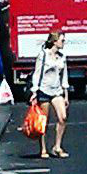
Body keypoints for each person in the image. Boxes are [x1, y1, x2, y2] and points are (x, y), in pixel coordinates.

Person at [30, 30, 69, 159]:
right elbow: (37, 74)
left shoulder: (62, 56)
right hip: (44, 90)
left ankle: (57, 146)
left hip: (57, 91)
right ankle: (43, 148)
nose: (64, 43)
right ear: (54, 41)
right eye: (62, 40)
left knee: (62, 117)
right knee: (43, 122)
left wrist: (66, 94)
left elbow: (64, 76)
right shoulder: (43, 55)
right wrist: (34, 92)